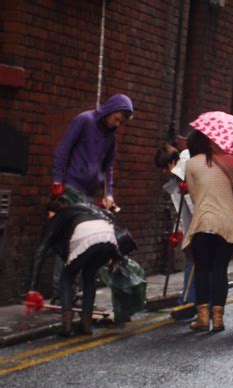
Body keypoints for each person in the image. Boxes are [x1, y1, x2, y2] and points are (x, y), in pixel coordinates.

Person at [50, 93, 134, 302]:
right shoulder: (84, 120)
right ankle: (60, 292)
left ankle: (72, 291)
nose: (117, 124)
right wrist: (57, 182)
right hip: (71, 188)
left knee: (83, 243)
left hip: (90, 193)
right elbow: (63, 150)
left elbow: (108, 168)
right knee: (68, 241)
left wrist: (109, 194)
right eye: (117, 118)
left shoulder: (111, 136)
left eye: (121, 122)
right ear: (110, 109)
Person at [28, 199, 135, 338]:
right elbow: (111, 218)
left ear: (52, 212)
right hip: (109, 238)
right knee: (89, 276)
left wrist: (33, 289)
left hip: (86, 237)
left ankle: (66, 325)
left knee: (66, 277)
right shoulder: (85, 209)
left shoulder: (58, 216)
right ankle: (86, 325)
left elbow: (41, 251)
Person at [182, 129, 233, 332]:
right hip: (228, 223)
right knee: (220, 270)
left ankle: (202, 319)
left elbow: (194, 196)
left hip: (204, 222)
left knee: (203, 268)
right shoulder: (230, 160)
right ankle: (218, 319)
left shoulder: (191, 164)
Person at [154, 142, 196, 315]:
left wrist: (189, 191)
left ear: (171, 163)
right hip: (190, 225)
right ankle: (190, 302)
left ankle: (188, 303)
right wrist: (177, 231)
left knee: (194, 264)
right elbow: (180, 209)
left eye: (165, 168)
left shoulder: (189, 164)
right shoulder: (176, 180)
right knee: (192, 263)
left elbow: (196, 203)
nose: (165, 172)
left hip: (202, 223)